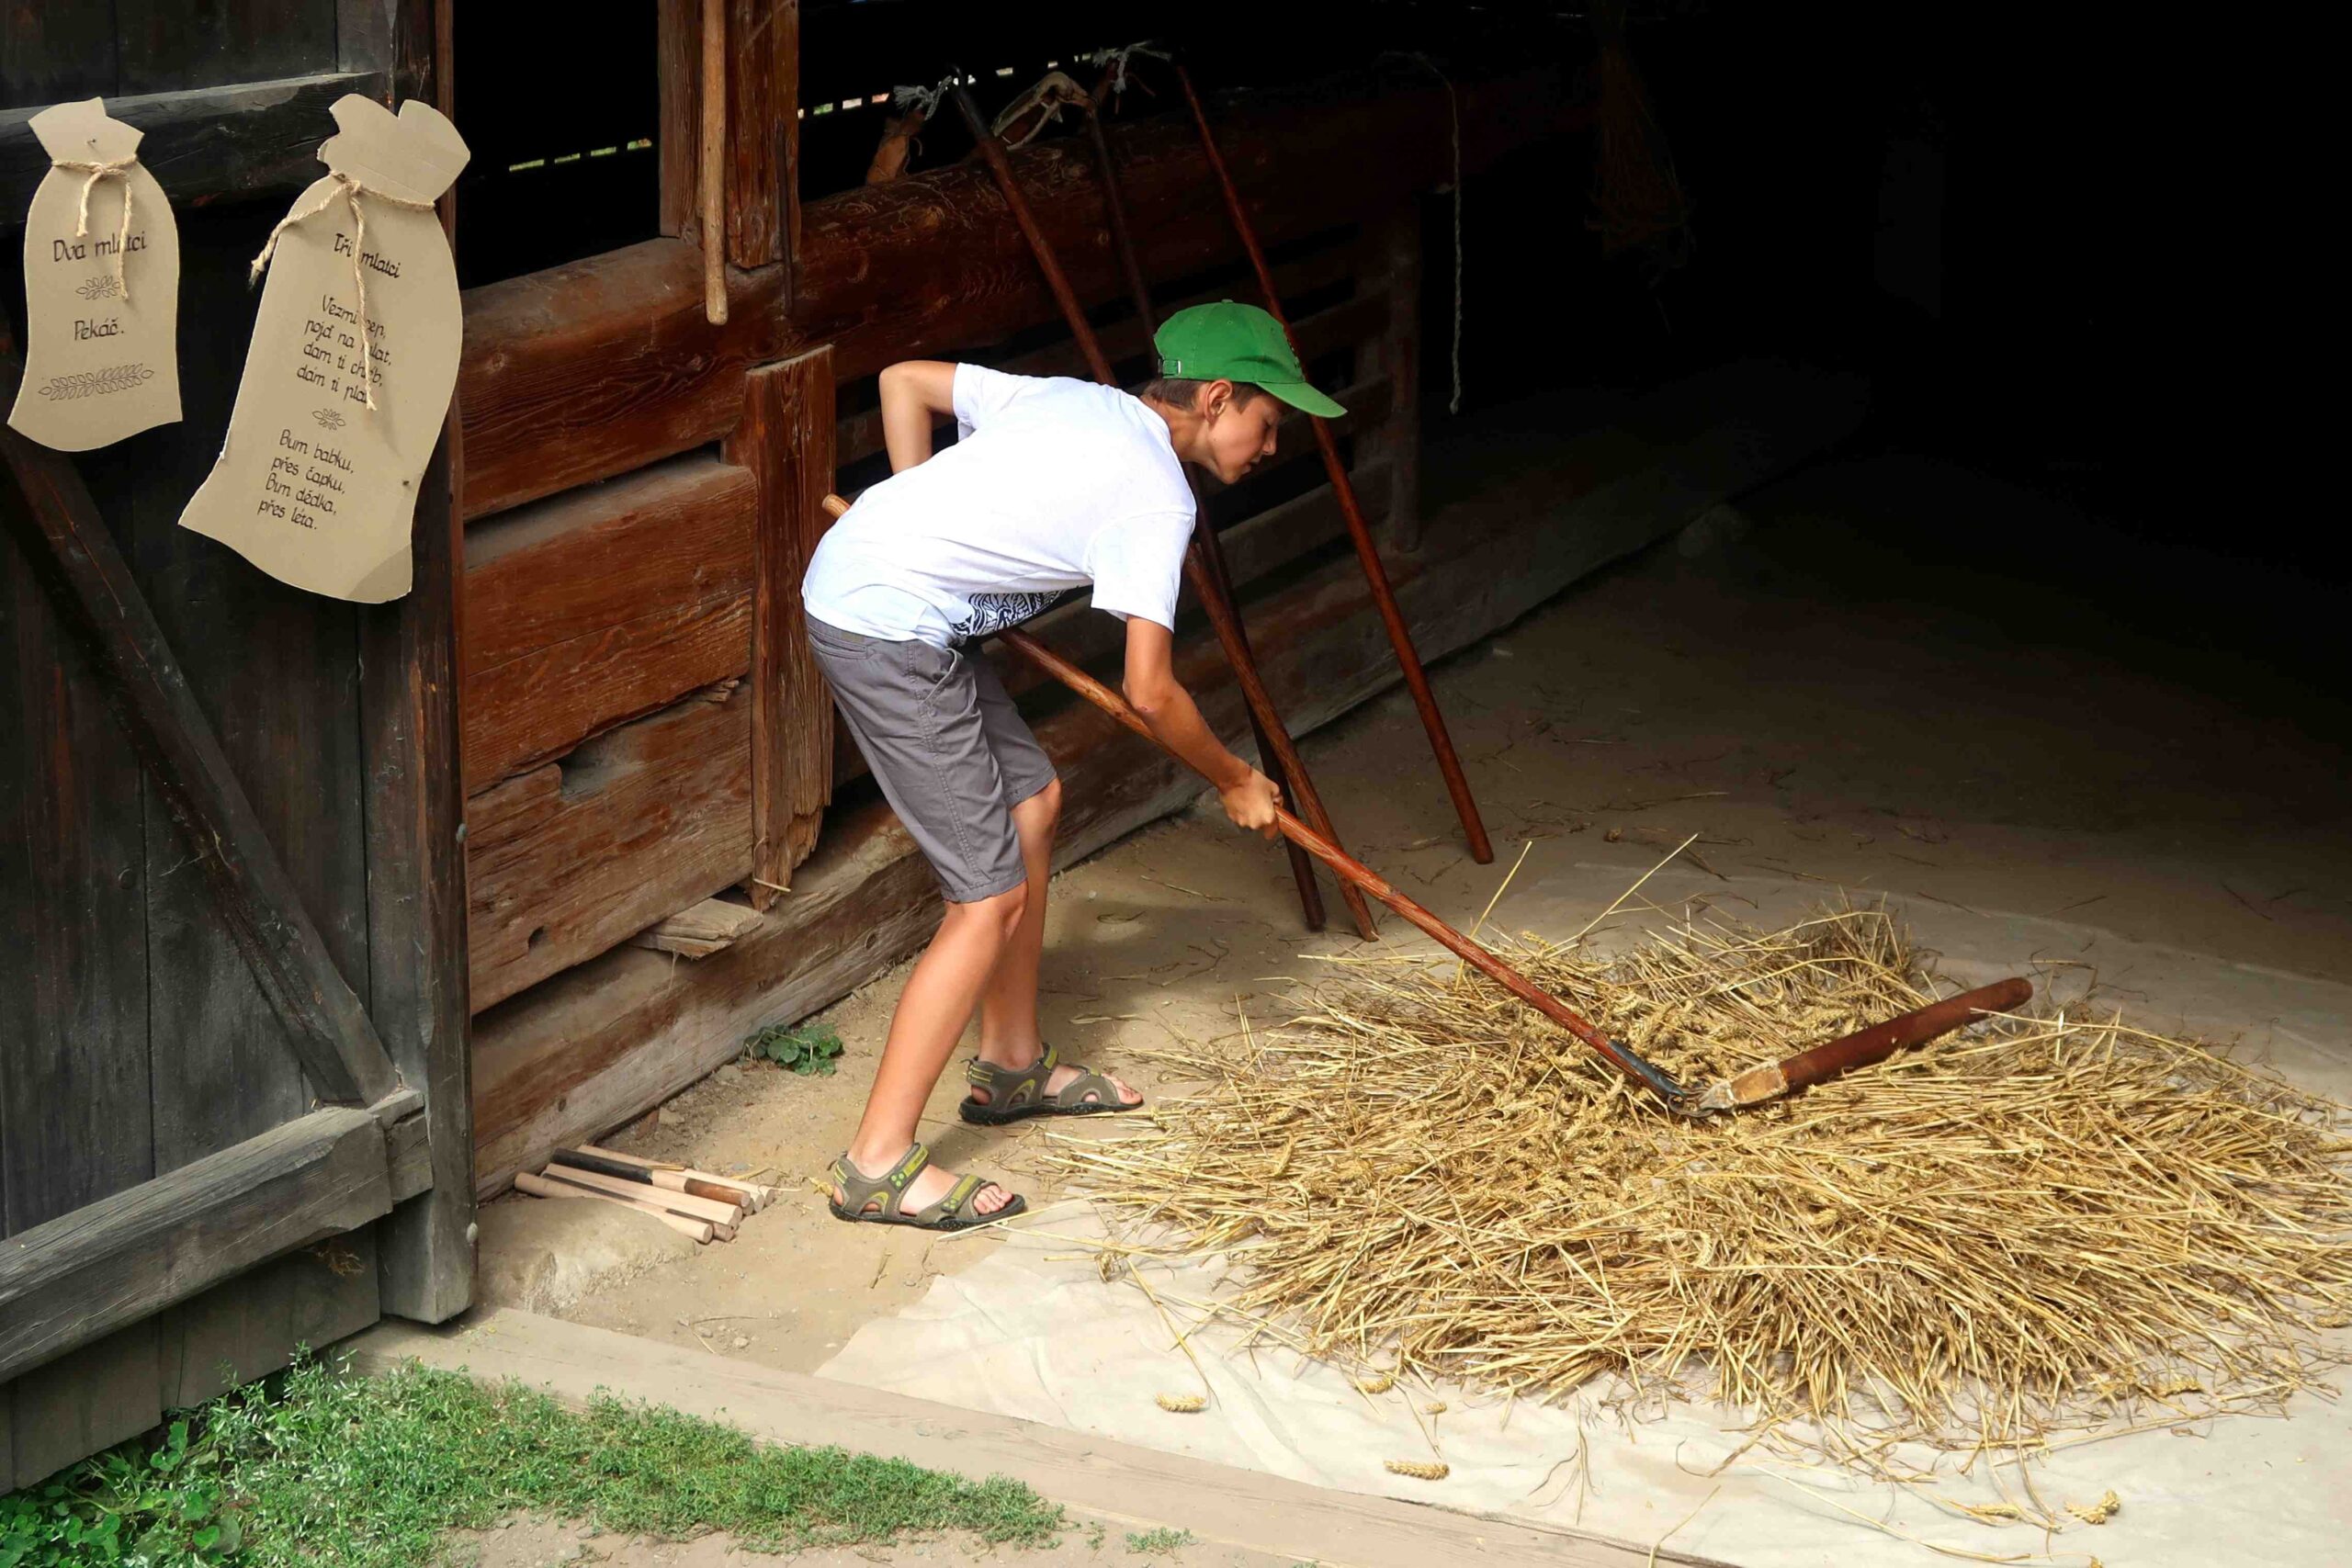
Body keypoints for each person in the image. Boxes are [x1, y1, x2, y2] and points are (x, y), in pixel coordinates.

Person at [801, 301, 1348, 1231]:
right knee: (986, 900)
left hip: (902, 602)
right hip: (885, 629)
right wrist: (1231, 778)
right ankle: (876, 1164)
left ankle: (1010, 1065)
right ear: (1216, 399)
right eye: (1269, 419)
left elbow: (903, 382)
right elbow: (1151, 691)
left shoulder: (1074, 399)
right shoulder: (1156, 498)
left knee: (1032, 804)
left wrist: (918, 517)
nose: (1270, 446)